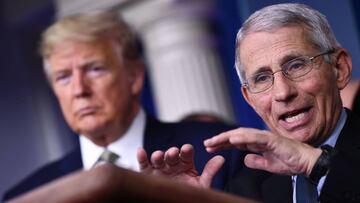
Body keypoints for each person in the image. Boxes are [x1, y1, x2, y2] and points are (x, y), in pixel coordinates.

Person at [3, 11, 244, 201]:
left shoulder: (219, 150)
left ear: (135, 76)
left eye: (95, 69)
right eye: (63, 77)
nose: (79, 90)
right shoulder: (28, 195)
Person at [138, 3, 360, 203]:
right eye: (262, 78)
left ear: (339, 69)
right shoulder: (245, 187)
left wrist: (316, 165)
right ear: (249, 98)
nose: (283, 92)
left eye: (296, 66)